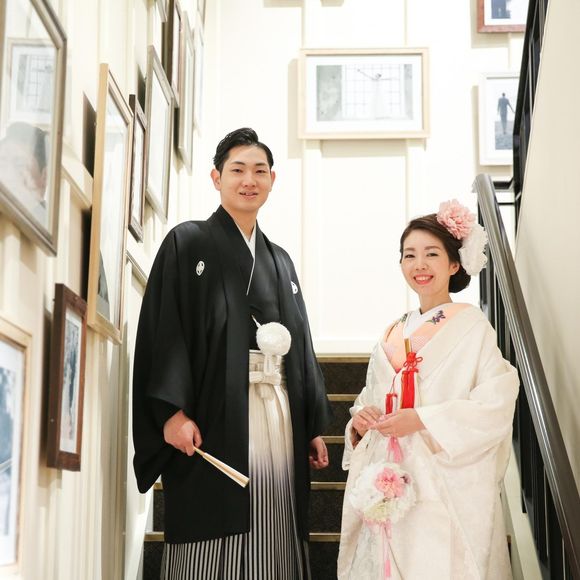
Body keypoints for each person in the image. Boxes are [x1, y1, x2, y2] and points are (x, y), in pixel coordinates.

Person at [132, 128, 331, 579]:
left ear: (273, 180)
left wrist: (310, 426)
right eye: (237, 170)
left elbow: (301, 342)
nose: (249, 180)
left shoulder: (280, 260)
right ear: (216, 178)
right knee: (210, 527)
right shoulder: (188, 242)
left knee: (273, 517)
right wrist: (170, 414)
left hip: (277, 412)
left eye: (259, 171)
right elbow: (166, 331)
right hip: (212, 413)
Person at [338, 200, 519, 579]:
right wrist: (360, 424)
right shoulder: (392, 331)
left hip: (440, 481)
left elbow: (495, 401)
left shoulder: (473, 327)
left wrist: (423, 419)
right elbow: (369, 399)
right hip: (388, 477)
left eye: (431, 254)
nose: (419, 264)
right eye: (410, 255)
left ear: (454, 264)